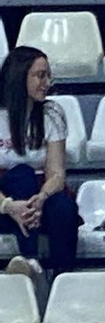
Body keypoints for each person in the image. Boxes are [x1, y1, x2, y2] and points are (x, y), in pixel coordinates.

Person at [0, 46, 79, 278]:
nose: (47, 82)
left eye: (48, 75)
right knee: (22, 173)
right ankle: (30, 258)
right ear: (18, 77)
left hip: (38, 199)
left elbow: (56, 173)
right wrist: (8, 206)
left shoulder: (52, 113)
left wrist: (41, 199)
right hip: (4, 203)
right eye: (40, 75)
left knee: (64, 208)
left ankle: (63, 277)